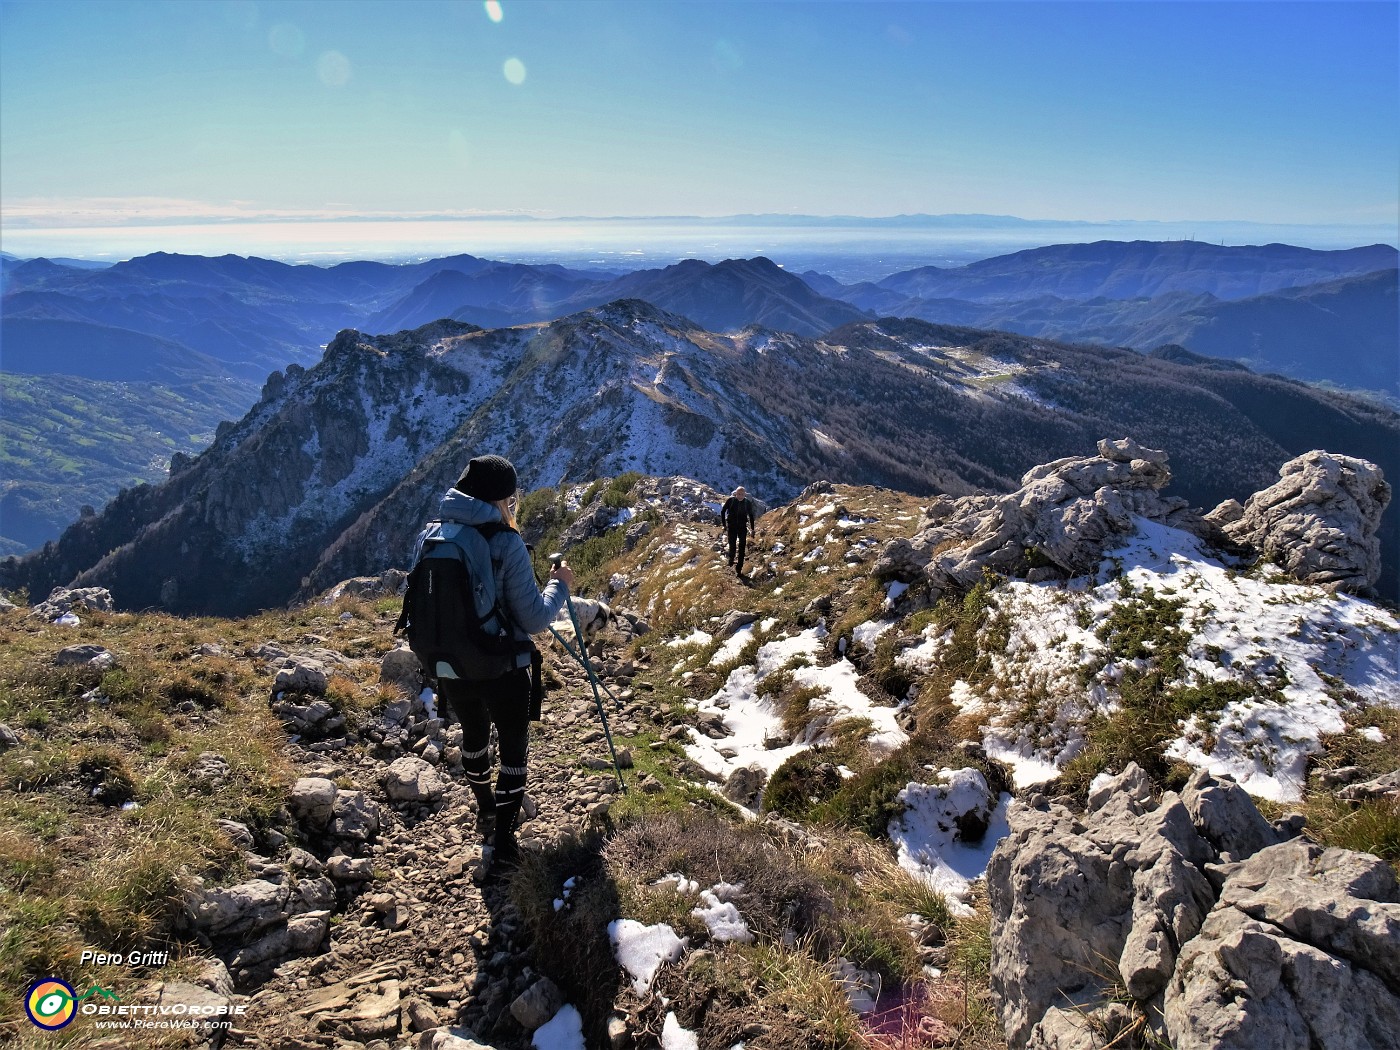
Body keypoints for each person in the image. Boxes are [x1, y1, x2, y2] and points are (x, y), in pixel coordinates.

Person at [416, 454, 574, 870]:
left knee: (473, 733)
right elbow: (536, 619)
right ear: (502, 500)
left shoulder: (433, 534)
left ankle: (485, 806)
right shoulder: (505, 541)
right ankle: (504, 839)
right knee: (514, 748)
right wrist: (560, 585)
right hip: (501, 665)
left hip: (449, 664)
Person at [721, 486, 757, 575]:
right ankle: (731, 560)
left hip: (742, 528)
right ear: (736, 494)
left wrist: (752, 529)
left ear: (745, 495)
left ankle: (739, 568)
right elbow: (723, 511)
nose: (740, 496)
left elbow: (751, 516)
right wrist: (724, 525)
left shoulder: (747, 503)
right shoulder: (731, 500)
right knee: (732, 545)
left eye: (742, 494)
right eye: (738, 494)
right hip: (732, 526)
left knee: (742, 548)